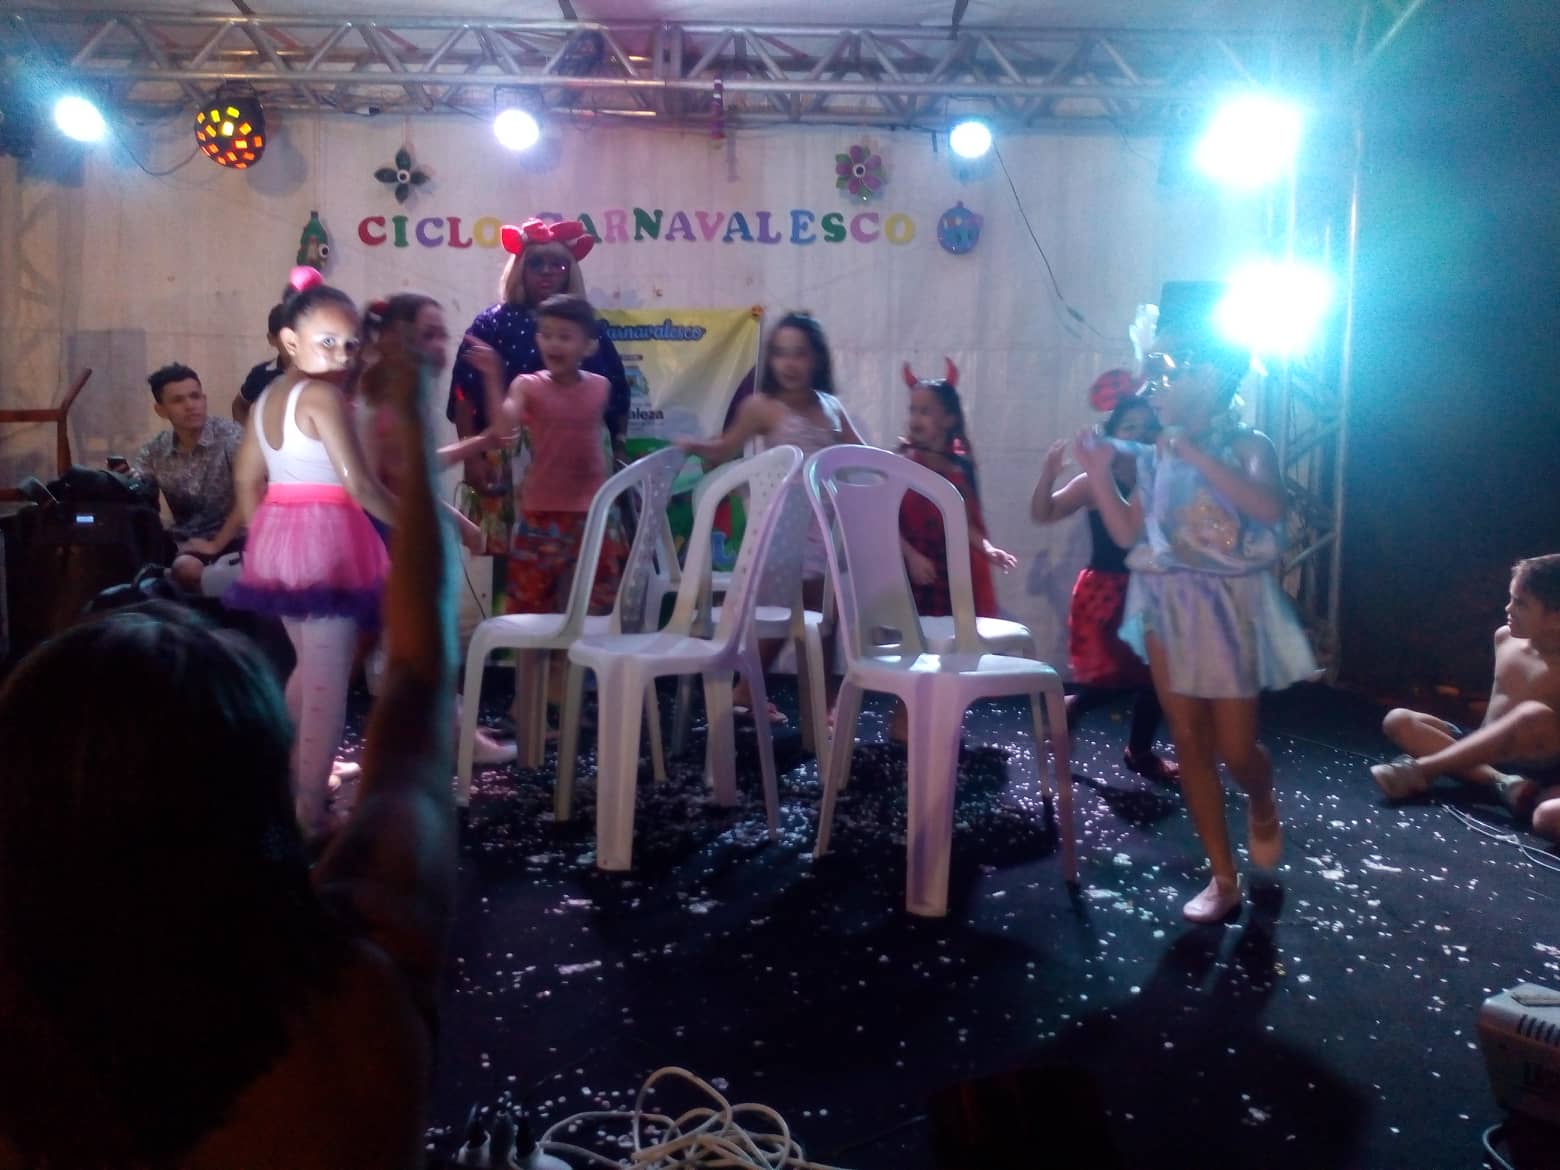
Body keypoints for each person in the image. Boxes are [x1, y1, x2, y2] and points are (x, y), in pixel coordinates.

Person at [0, 323, 458, 1170]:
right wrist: (414, 415)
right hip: (273, 550)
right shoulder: (357, 998)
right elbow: (418, 690)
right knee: (317, 663)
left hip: (268, 546)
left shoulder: (26, 1042)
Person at [1073, 339, 1316, 923]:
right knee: (1187, 737)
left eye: (1169, 375)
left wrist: (1197, 456)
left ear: (1210, 378)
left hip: (1228, 605)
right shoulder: (1156, 455)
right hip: (1165, 602)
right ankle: (1222, 876)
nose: (1153, 387)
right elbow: (1129, 532)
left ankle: (1261, 796)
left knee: (1236, 748)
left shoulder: (1249, 445)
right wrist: (1100, 475)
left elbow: (1268, 509)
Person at [225, 267, 397, 841]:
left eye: (350, 344)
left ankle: (292, 780)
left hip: (282, 538)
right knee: (327, 681)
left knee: (309, 669)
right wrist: (418, 527)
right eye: (328, 342)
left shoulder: (267, 397)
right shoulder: (322, 395)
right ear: (289, 341)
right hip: (326, 540)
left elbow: (246, 478)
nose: (342, 355)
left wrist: (264, 538)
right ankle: (307, 811)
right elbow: (361, 485)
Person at [678, 312, 867, 724]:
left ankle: (812, 703)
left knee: (824, 619)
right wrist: (695, 446)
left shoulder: (831, 406)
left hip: (822, 524)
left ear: (817, 358)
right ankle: (754, 692)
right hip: (783, 525)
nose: (789, 363)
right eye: (781, 353)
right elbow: (725, 448)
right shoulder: (761, 406)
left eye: (799, 353)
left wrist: (900, 459)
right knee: (781, 617)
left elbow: (861, 454)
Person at [447, 218, 630, 559]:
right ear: (520, 268)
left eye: (557, 264)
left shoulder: (590, 327)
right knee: (515, 558)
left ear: (569, 271)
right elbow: (463, 395)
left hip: (582, 462)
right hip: (507, 458)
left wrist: (619, 449)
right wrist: (472, 458)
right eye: (536, 263)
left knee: (583, 557)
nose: (546, 271)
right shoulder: (490, 323)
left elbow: (618, 395)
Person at [1033, 378, 1177, 782]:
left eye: (1148, 427)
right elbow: (1044, 513)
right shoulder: (1094, 482)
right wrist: (1047, 475)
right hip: (1108, 593)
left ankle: (1139, 750)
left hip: (1154, 591)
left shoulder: (1165, 477)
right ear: (1111, 434)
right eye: (1130, 427)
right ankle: (1075, 705)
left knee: (1156, 676)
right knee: (1120, 676)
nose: (1140, 434)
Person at [1372, 554, 1560, 841]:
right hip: (1484, 752)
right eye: (1511, 599)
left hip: (1540, 767)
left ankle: (1423, 770)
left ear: (1556, 618)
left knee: (1534, 714)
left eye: (1521, 604)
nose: (1508, 609)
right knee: (1398, 721)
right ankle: (1502, 783)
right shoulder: (1504, 637)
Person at [498, 292, 628, 704]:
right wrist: (489, 380)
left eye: (565, 336)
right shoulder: (528, 386)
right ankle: (526, 703)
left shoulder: (601, 388)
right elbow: (505, 421)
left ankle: (564, 695)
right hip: (541, 515)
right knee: (530, 612)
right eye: (547, 334)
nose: (553, 343)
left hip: (594, 516)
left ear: (588, 346)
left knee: (588, 610)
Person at [890, 361, 1016, 742]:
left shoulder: (959, 467)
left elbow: (965, 521)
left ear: (948, 419)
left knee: (945, 654)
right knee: (913, 651)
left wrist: (988, 548)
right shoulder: (901, 461)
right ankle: (902, 727)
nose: (916, 418)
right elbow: (882, 519)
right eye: (913, 409)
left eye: (925, 411)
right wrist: (910, 556)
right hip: (911, 577)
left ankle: (937, 725)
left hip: (948, 578)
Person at [132, 362, 246, 591]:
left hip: (238, 538)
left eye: (195, 396)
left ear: (204, 399)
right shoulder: (154, 450)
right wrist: (124, 482)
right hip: (186, 543)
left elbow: (254, 495)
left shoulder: (231, 436)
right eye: (178, 400)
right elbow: (140, 496)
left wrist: (215, 545)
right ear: (161, 410)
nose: (190, 405)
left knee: (186, 569)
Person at [233, 302, 290, 425]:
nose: (294, 342)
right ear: (272, 339)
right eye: (286, 337)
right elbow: (239, 405)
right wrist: (246, 431)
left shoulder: (319, 374)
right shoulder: (260, 374)